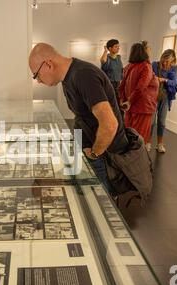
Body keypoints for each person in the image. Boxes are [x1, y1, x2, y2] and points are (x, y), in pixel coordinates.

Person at [29, 43, 128, 195]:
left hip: (103, 154)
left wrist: (94, 154)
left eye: (36, 75)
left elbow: (110, 124)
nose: (38, 81)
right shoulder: (68, 77)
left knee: (100, 202)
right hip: (90, 147)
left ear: (48, 65)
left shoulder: (83, 75)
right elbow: (81, 116)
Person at [119, 42, 159, 143]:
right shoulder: (146, 66)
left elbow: (121, 86)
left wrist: (124, 101)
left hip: (130, 107)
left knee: (130, 135)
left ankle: (130, 157)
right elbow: (141, 87)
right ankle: (138, 158)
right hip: (143, 107)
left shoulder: (129, 66)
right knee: (139, 138)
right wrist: (129, 101)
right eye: (148, 49)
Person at [149, 49, 177, 153]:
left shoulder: (174, 68)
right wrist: (157, 79)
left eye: (168, 61)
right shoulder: (155, 65)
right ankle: (147, 143)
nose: (166, 63)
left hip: (165, 97)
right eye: (164, 60)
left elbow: (174, 83)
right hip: (153, 96)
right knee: (151, 122)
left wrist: (164, 80)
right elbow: (150, 78)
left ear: (173, 60)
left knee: (161, 122)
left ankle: (160, 144)